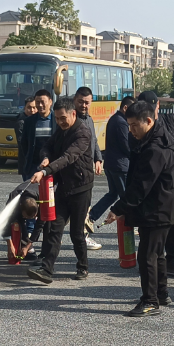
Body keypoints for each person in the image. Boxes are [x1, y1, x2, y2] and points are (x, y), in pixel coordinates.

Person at [104, 101, 174, 317]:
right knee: (157, 254)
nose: (131, 130)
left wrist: (118, 208)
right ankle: (161, 293)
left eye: (134, 126)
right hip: (163, 205)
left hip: (158, 207)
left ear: (149, 121)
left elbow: (141, 185)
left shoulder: (155, 148)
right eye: (128, 125)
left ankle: (150, 301)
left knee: (147, 255)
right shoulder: (157, 137)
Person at [27, 97, 94, 284]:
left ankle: (83, 266)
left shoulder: (83, 133)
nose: (60, 122)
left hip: (81, 188)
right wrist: (46, 157)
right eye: (56, 119)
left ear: (73, 114)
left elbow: (68, 157)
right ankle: (47, 270)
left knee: (76, 233)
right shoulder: (61, 131)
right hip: (63, 186)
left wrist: (45, 171)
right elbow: (47, 146)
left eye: (63, 118)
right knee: (53, 227)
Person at [138, 90, 174, 276]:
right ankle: (154, 257)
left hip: (171, 177)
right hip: (150, 176)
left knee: (173, 219)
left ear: (158, 106)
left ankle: (173, 258)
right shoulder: (141, 125)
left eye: (151, 107)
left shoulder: (170, 119)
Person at [89, 95, 135, 227]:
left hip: (111, 164)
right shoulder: (120, 122)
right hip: (119, 166)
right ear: (125, 108)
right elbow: (126, 146)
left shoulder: (115, 119)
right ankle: (131, 223)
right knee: (127, 197)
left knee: (113, 194)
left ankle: (91, 216)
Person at [73, 87, 105, 251]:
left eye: (87, 103)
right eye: (80, 102)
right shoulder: (70, 119)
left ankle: (83, 236)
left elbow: (95, 141)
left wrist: (98, 158)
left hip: (87, 171)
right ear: (74, 100)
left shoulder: (89, 120)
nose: (83, 105)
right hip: (73, 170)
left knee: (85, 206)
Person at [3, 180, 45, 262]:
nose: (31, 219)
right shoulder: (13, 199)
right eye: (27, 216)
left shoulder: (43, 199)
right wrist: (9, 245)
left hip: (42, 190)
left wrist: (27, 246)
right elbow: (6, 222)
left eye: (33, 217)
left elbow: (39, 226)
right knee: (17, 221)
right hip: (19, 200)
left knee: (47, 224)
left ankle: (44, 255)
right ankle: (24, 249)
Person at [18, 89, 55, 181]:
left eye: (43, 102)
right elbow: (24, 143)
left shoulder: (57, 120)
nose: (40, 105)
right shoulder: (29, 121)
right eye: (37, 102)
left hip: (53, 164)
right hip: (33, 165)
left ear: (50, 102)